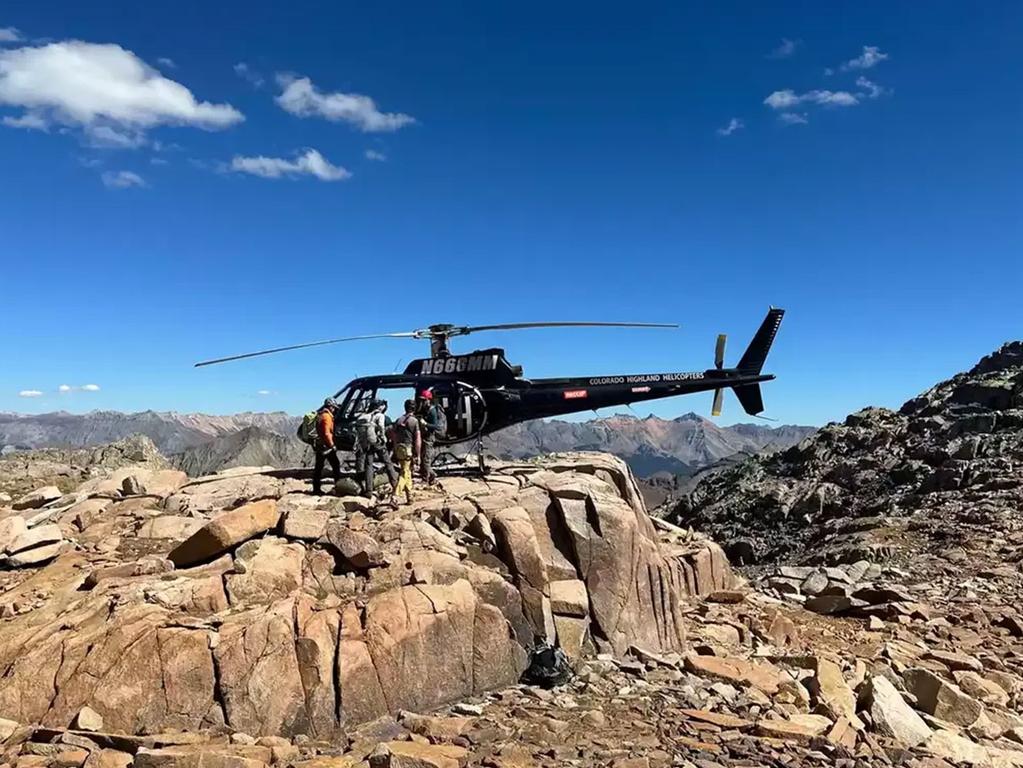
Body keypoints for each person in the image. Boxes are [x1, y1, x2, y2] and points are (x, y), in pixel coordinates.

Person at [354, 399, 398, 498]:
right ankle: (395, 484)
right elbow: (381, 427)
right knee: (387, 462)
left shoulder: (363, 416)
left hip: (367, 443)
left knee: (368, 465)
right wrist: (384, 439)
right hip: (377, 442)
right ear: (377, 407)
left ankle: (368, 490)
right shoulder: (379, 415)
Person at [391, 399, 421, 504]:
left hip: (399, 449)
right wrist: (418, 454)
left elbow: (393, 436)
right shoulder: (414, 421)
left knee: (406, 471)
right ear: (414, 408)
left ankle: (409, 496)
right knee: (404, 473)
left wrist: (395, 450)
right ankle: (394, 496)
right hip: (408, 450)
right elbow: (418, 439)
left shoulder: (398, 420)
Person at [312, 398, 342, 495]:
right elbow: (326, 433)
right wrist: (332, 445)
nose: (334, 409)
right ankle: (338, 486)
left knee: (318, 467)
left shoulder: (320, 415)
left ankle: (316, 488)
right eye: (333, 407)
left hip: (320, 444)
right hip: (326, 446)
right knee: (336, 464)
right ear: (330, 407)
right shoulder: (327, 417)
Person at [417, 389, 447, 485]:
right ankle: (431, 476)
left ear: (428, 400)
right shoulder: (427, 410)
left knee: (426, 460)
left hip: (429, 438)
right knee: (424, 459)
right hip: (426, 437)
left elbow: (435, 426)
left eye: (424, 400)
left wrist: (425, 424)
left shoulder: (432, 411)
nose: (422, 402)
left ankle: (426, 479)